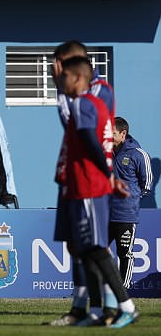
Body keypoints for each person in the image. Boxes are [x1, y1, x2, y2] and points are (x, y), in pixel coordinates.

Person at [54, 56, 137, 328]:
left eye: (63, 76)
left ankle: (126, 306)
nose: (60, 81)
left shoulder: (84, 104)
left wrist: (109, 176)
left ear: (77, 78)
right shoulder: (97, 105)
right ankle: (97, 311)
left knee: (95, 249)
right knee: (85, 249)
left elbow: (90, 141)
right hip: (83, 184)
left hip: (89, 185)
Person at [49, 40, 118, 326]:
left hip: (91, 178)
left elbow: (75, 123)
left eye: (61, 64)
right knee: (75, 245)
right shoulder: (76, 91)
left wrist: (60, 89)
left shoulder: (99, 89)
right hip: (71, 174)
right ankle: (83, 308)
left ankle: (111, 305)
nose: (57, 70)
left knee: (94, 242)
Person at [110, 117, 153, 289]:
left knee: (124, 252)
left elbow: (147, 185)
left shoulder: (138, 154)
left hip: (125, 214)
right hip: (104, 213)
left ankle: (123, 289)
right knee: (95, 250)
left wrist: (129, 199)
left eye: (112, 133)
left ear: (123, 134)